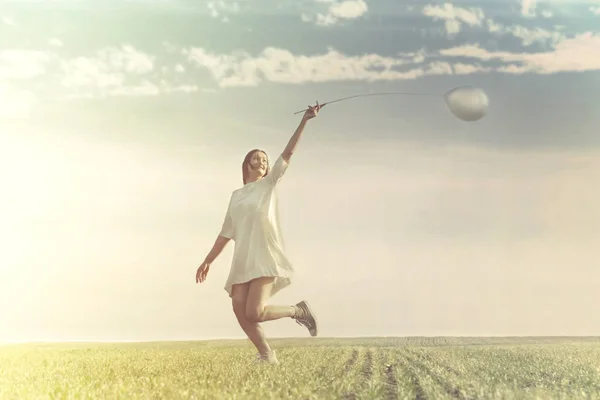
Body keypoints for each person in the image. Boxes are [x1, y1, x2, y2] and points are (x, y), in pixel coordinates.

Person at [195, 103, 322, 365]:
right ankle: (267, 355)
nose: (262, 161)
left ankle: (298, 311)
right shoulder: (237, 196)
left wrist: (305, 121)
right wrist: (208, 260)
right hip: (243, 258)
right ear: (247, 164)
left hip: (264, 254)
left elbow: (287, 153)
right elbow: (225, 233)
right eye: (257, 157)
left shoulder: (268, 184)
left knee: (254, 312)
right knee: (239, 309)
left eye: (265, 159)